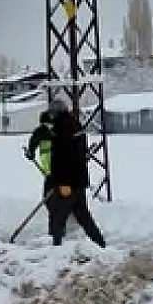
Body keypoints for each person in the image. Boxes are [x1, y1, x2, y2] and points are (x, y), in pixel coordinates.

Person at [46, 99, 106, 248]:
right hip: (79, 180)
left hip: (68, 183)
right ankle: (100, 244)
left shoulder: (61, 128)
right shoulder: (75, 124)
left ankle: (56, 247)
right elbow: (78, 155)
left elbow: (64, 158)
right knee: (83, 215)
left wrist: (62, 183)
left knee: (58, 215)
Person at [24, 109, 55, 234]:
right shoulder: (41, 132)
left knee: (54, 202)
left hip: (57, 174)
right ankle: (56, 230)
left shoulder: (57, 132)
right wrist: (30, 152)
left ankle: (56, 231)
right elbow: (33, 142)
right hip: (50, 174)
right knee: (51, 202)